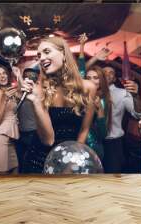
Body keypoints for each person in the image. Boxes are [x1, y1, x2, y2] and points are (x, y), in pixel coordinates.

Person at [21, 36, 97, 173]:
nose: (42, 58)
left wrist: (72, 159)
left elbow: (84, 130)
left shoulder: (89, 87)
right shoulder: (40, 90)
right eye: (39, 55)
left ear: (63, 54)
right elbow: (48, 140)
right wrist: (37, 101)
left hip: (70, 159)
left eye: (47, 52)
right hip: (38, 159)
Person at [102, 66, 141, 173]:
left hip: (113, 145)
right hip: (92, 143)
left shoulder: (122, 93)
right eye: (104, 72)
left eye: (111, 73)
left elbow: (139, 114)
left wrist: (135, 96)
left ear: (114, 78)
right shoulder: (89, 91)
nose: (107, 74)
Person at [0, 64, 20, 174]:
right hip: (0, 139)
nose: (2, 76)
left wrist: (18, 76)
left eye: (4, 73)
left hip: (9, 139)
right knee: (0, 179)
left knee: (15, 172)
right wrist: (5, 99)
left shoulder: (10, 90)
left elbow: (22, 95)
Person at [84, 66, 112, 161]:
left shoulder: (103, 101)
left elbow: (103, 134)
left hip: (94, 150)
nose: (91, 81)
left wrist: (99, 110)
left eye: (96, 78)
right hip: (76, 146)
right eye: (88, 78)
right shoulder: (78, 98)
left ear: (101, 81)